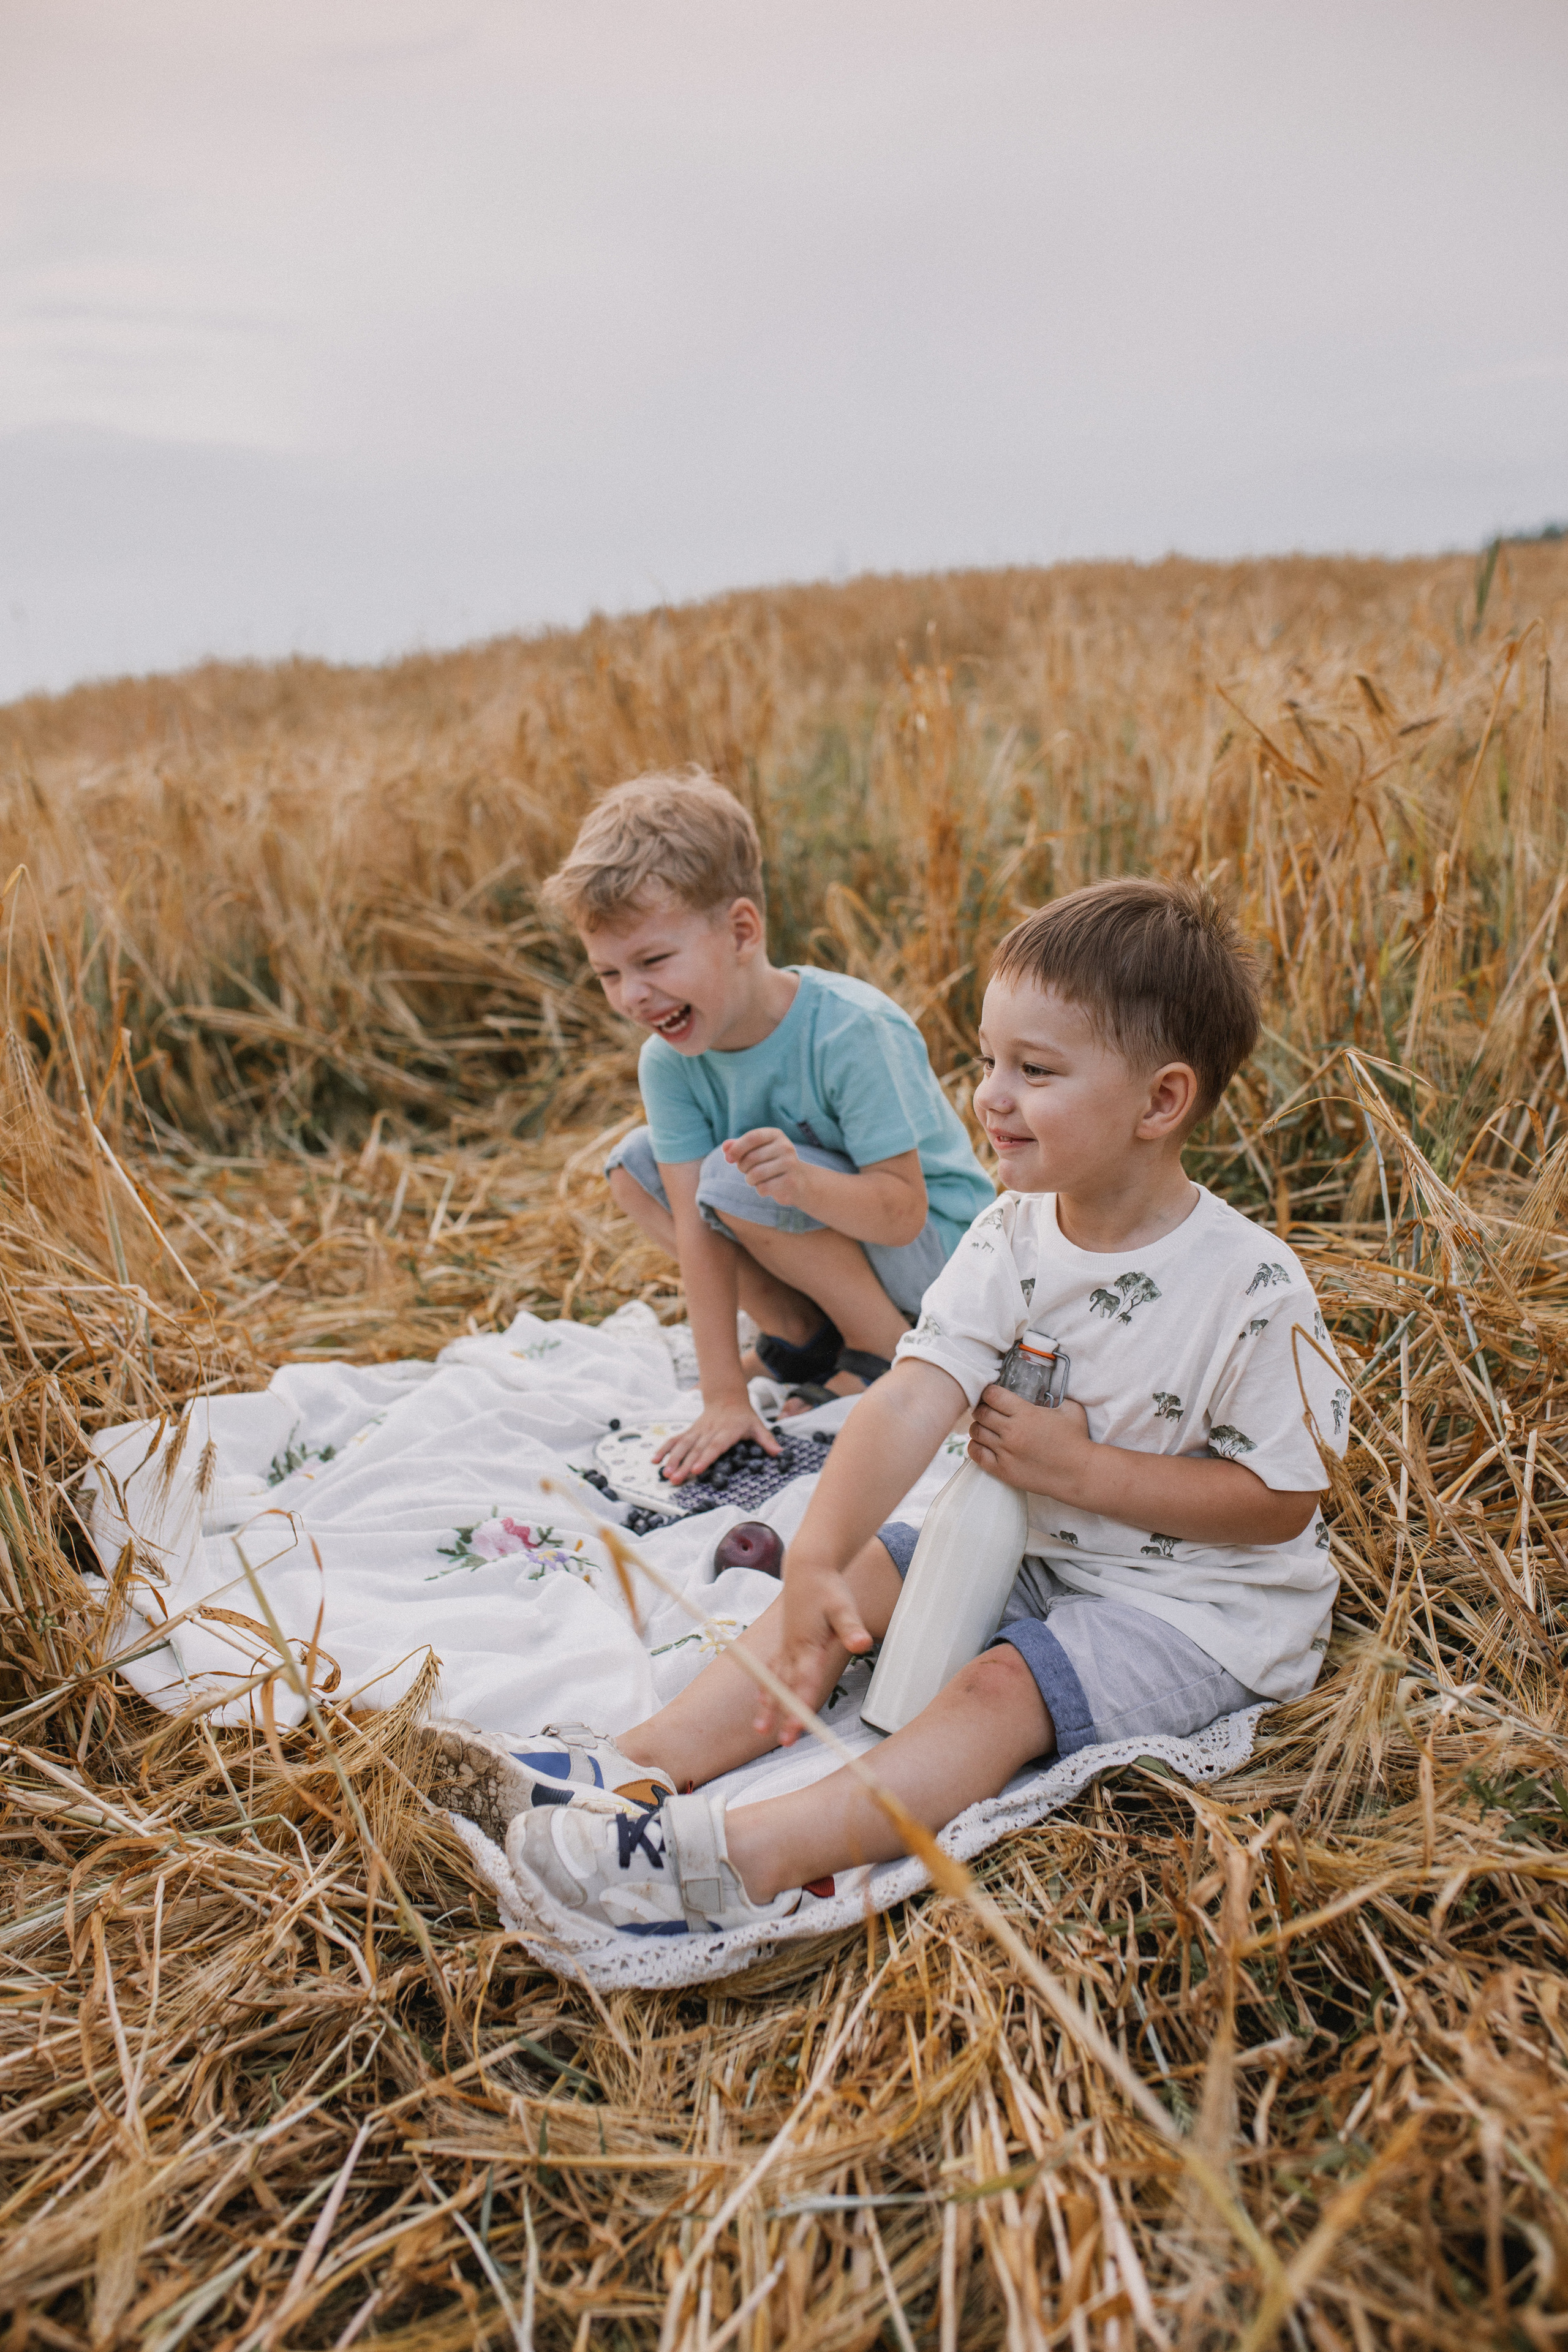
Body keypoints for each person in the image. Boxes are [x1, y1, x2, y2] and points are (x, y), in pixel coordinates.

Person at [423, 877, 1350, 1938]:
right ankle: (632, 1766)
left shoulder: (1253, 1288)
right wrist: (820, 1559)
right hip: (1027, 1545)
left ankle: (748, 1855)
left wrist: (1086, 1474)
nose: (990, 1096)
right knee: (857, 1573)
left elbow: (1282, 1499)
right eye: (990, 1059)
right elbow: (912, 1397)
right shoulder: (1011, 1235)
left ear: (1160, 1102)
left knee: (1002, 1691)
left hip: (1194, 1609)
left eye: (1035, 1071)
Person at [540, 769, 995, 1483]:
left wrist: (803, 1185)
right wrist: (723, 1395)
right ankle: (803, 1336)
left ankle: (880, 1351)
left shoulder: (851, 1030)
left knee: (730, 1178)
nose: (632, 995)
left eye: (654, 961)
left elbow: (904, 1212)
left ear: (742, 931)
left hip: (941, 1259)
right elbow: (697, 1226)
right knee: (636, 1169)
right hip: (828, 1241)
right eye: (608, 974)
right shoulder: (668, 1063)